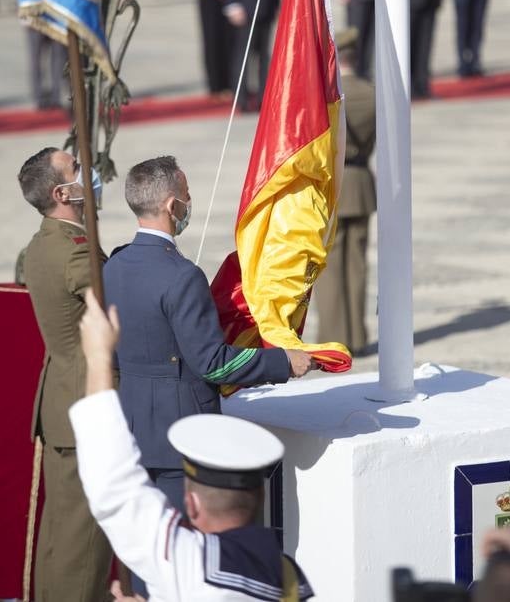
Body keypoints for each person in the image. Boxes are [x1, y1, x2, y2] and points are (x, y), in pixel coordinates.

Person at [103, 156, 312, 595]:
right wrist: (282, 364)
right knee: (188, 556)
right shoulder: (182, 276)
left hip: (134, 426)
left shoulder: (113, 266)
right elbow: (212, 362)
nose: (191, 203)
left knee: (150, 551)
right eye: (187, 196)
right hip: (182, 431)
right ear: (172, 204)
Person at [70, 287, 315, 601]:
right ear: (256, 498)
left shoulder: (185, 562)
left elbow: (112, 485)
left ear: (193, 505)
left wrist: (98, 360)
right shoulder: (289, 578)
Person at [18, 147, 112, 602]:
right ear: (62, 192)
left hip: (61, 399)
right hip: (84, 402)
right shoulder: (73, 249)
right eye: (77, 169)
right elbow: (115, 306)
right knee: (83, 543)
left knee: (61, 536)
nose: (88, 174)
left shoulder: (45, 241)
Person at [313, 29, 375, 354]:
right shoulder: (371, 92)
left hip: (332, 186)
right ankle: (358, 335)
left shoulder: (325, 96)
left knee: (329, 266)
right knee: (357, 263)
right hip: (362, 182)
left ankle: (334, 337)